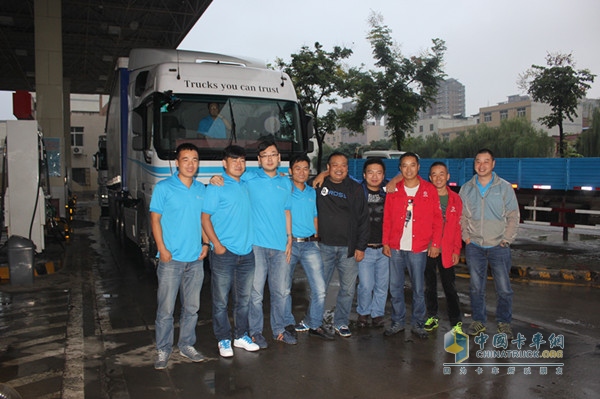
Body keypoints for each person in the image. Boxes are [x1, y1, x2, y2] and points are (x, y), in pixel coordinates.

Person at [150, 142, 209, 370]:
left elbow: (204, 219)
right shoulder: (164, 188)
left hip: (195, 259)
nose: (191, 164)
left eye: (194, 160)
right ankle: (163, 349)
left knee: (192, 308)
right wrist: (162, 249)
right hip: (170, 259)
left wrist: (206, 243)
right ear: (177, 163)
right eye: (186, 159)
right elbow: (155, 220)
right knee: (165, 309)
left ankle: (186, 345)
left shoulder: (201, 190)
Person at [201, 145, 260, 358]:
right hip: (224, 254)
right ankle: (223, 338)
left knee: (243, 300)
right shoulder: (216, 186)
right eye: (234, 160)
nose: (239, 164)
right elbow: (205, 218)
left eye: (242, 161)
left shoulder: (246, 184)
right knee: (220, 301)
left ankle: (240, 336)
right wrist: (215, 244)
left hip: (247, 253)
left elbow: (270, 171)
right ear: (224, 163)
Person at [459, 148, 519, 339]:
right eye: (478, 161)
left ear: (493, 164)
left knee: (504, 288)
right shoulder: (467, 188)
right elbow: (461, 217)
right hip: (475, 246)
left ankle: (504, 323)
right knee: (476, 288)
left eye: (486, 161)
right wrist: (466, 238)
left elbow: (513, 216)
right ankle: (479, 321)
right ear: (474, 164)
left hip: (498, 246)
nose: (482, 165)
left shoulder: (504, 187)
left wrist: (506, 240)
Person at [382, 152, 442, 339]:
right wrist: (386, 242)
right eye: (404, 166)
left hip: (419, 248)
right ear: (400, 169)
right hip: (396, 246)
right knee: (396, 287)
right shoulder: (394, 190)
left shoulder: (429, 190)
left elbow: (437, 220)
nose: (409, 169)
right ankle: (398, 322)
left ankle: (418, 323)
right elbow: (387, 219)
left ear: (418, 167)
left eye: (412, 165)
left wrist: (436, 244)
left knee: (418, 288)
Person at [245, 140, 296, 348]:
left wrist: (290, 237)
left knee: (281, 291)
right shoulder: (249, 178)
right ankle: (255, 332)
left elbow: (287, 210)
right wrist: (216, 178)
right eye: (264, 155)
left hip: (279, 244)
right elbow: (229, 178)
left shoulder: (285, 182)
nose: (269, 158)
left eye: (273, 154)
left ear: (279, 158)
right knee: (256, 292)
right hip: (256, 245)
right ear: (258, 160)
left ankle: (279, 330)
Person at [316, 152, 369, 338]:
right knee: (320, 287)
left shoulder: (355, 188)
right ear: (328, 167)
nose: (339, 169)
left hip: (349, 248)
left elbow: (364, 219)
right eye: (335, 165)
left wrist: (361, 246)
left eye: (343, 165)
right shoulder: (318, 184)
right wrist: (319, 176)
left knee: (347, 289)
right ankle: (318, 321)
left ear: (347, 168)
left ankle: (341, 322)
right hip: (324, 247)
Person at [285, 154, 334, 340]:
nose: (302, 172)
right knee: (284, 289)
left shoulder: (311, 192)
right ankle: (287, 324)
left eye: (306, 168)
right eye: (297, 168)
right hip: (289, 244)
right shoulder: (284, 189)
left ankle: (315, 324)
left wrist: (316, 236)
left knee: (320, 289)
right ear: (290, 171)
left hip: (309, 245)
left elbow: (315, 216)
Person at [423, 162, 463, 333]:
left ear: (448, 177)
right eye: (434, 174)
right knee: (429, 285)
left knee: (450, 287)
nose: (438, 178)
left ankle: (456, 322)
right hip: (429, 249)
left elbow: (458, 227)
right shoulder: (425, 197)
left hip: (447, 250)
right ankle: (432, 316)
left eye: (442, 174)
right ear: (430, 178)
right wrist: (432, 244)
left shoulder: (455, 199)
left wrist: (456, 250)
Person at [356, 158, 389, 329]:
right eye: (370, 172)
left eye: (378, 172)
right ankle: (363, 312)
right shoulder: (358, 191)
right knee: (366, 285)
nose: (374, 176)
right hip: (365, 249)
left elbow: (405, 177)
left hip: (385, 248)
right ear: (364, 174)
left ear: (384, 175)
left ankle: (377, 314)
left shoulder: (389, 191)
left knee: (382, 285)